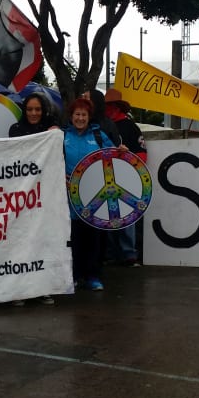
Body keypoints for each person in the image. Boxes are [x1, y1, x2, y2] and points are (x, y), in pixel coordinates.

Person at [8, 92, 60, 306]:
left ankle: (43, 287)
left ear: (44, 111)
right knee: (21, 242)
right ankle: (19, 289)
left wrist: (56, 135)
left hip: (46, 195)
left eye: (38, 109)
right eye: (29, 109)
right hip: (22, 195)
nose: (33, 113)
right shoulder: (15, 129)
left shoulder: (53, 131)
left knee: (43, 241)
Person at [63, 98, 118, 292]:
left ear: (89, 117)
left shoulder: (99, 136)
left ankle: (93, 276)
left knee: (94, 238)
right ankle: (75, 276)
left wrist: (123, 152)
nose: (80, 118)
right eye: (77, 114)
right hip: (69, 197)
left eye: (83, 115)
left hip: (95, 196)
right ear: (71, 116)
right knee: (74, 237)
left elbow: (114, 158)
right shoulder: (62, 136)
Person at [104, 88, 146, 267]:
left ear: (118, 107)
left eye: (112, 106)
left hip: (127, 179)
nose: (108, 109)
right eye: (106, 106)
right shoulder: (102, 126)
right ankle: (110, 253)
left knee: (127, 218)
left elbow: (142, 154)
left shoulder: (130, 127)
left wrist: (130, 168)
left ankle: (129, 253)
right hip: (105, 179)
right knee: (105, 216)